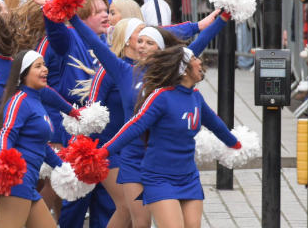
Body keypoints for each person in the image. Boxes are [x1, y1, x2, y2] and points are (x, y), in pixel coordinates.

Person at [99, 45, 244, 228]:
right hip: (159, 179)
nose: (200, 62)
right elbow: (134, 126)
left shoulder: (196, 96)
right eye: (195, 59)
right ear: (183, 70)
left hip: (189, 177)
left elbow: (215, 124)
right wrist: (104, 151)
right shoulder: (161, 97)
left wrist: (236, 144)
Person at [0, 50, 64, 228]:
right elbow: (5, 134)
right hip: (16, 182)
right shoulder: (19, 100)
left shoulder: (35, 101)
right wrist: (5, 165)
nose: (45, 69)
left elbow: (40, 144)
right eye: (38, 66)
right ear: (23, 74)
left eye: (44, 65)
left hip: (28, 183)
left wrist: (63, 167)